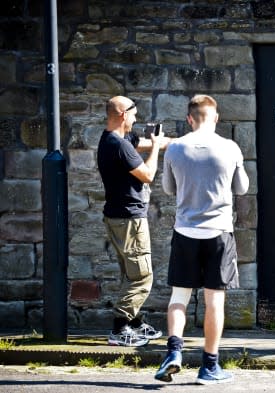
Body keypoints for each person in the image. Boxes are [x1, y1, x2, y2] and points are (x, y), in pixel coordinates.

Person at [155, 94, 249, 385]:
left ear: (189, 118)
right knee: (214, 302)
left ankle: (173, 352)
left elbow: (169, 189)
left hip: (185, 232)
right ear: (216, 118)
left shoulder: (174, 148)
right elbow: (243, 188)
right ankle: (209, 367)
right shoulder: (230, 147)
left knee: (179, 297)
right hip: (218, 233)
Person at [97, 96, 168, 347]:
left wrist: (173, 142)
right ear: (121, 114)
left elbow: (148, 143)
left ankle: (135, 324)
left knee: (131, 273)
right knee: (142, 277)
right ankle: (120, 328)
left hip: (117, 217)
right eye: (134, 114)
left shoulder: (113, 141)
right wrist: (158, 148)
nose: (137, 118)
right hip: (129, 219)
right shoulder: (120, 146)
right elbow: (148, 174)